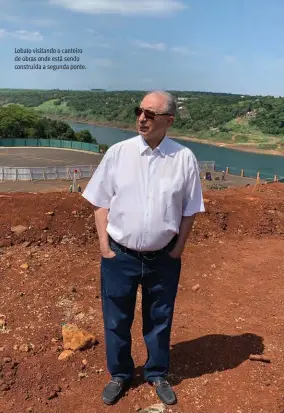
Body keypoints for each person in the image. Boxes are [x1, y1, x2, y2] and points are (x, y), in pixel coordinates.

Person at [82, 91, 205, 406]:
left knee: (160, 318)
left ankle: (157, 372)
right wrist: (104, 246)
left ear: (169, 120)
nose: (141, 118)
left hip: (163, 259)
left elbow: (190, 209)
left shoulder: (184, 159)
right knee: (116, 319)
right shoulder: (118, 153)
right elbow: (99, 200)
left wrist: (177, 249)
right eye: (139, 111)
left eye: (150, 114)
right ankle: (120, 374)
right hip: (119, 256)